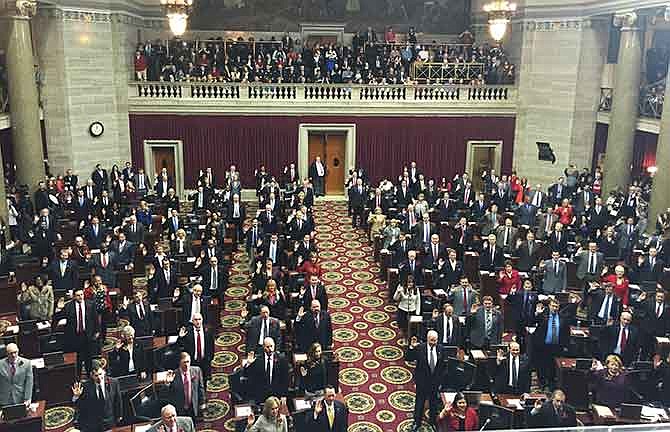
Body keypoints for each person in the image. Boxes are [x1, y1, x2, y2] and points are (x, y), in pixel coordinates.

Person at [54, 287, 99, 375]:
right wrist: (58, 308)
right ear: (74, 297)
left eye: (82, 294)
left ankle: (89, 375)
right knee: (77, 359)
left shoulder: (90, 304)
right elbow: (57, 317)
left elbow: (95, 318)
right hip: (74, 337)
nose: (81, 297)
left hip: (87, 336)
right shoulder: (68, 306)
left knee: (88, 358)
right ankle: (77, 377)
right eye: (78, 295)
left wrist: (97, 331)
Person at [406, 330, 444, 430]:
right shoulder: (420, 348)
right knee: (420, 402)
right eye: (431, 340)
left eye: (435, 340)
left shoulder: (440, 348)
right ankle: (416, 422)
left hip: (434, 382)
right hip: (422, 382)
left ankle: (433, 421)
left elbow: (442, 366)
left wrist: (440, 381)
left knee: (433, 403)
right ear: (427, 339)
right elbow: (408, 358)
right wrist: (411, 347)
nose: (433, 343)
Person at [71, 360, 123, 432]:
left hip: (109, 422)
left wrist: (119, 415)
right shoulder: (85, 386)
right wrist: (76, 396)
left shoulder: (114, 382)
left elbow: (118, 400)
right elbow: (80, 406)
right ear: (91, 375)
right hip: (93, 424)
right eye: (96, 375)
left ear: (104, 372)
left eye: (100, 374)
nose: (99, 378)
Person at [243, 337, 289, 404]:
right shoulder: (258, 359)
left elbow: (285, 379)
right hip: (261, 395)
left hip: (276, 395)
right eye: (268, 347)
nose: (270, 349)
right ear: (263, 347)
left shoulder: (281, 360)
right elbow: (246, 374)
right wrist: (249, 363)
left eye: (271, 346)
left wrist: (284, 395)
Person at [164, 352, 206, 421]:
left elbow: (200, 388)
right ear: (179, 363)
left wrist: (202, 402)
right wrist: (167, 383)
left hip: (193, 407)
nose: (187, 365)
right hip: (180, 409)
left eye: (188, 362)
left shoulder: (197, 370)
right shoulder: (173, 375)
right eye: (184, 362)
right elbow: (166, 395)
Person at [177, 313, 214, 380]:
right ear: (192, 321)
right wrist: (180, 337)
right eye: (196, 320)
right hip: (192, 362)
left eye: (199, 319)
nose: (198, 322)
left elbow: (211, 347)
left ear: (202, 320)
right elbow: (180, 347)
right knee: (193, 381)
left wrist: (210, 359)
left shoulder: (208, 331)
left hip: (204, 361)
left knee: (204, 381)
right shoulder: (187, 331)